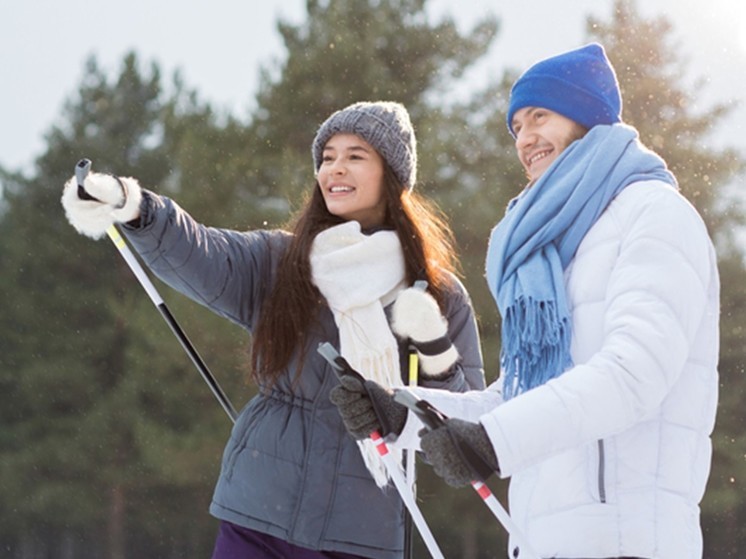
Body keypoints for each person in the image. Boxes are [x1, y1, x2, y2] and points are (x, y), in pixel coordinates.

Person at [330, 44, 720, 559]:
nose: (525, 138)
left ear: (587, 115)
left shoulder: (654, 215)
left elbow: (634, 374)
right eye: (516, 126)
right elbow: (518, 395)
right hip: (543, 542)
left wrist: (495, 442)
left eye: (540, 115)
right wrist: (404, 410)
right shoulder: (555, 251)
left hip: (627, 541)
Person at [60, 101, 486, 559]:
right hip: (259, 514)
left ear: (392, 175)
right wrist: (136, 206)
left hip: (361, 531)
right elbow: (203, 252)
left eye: (355, 156)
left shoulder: (436, 292)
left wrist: (436, 350)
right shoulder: (282, 263)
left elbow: (466, 428)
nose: (335, 168)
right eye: (327, 158)